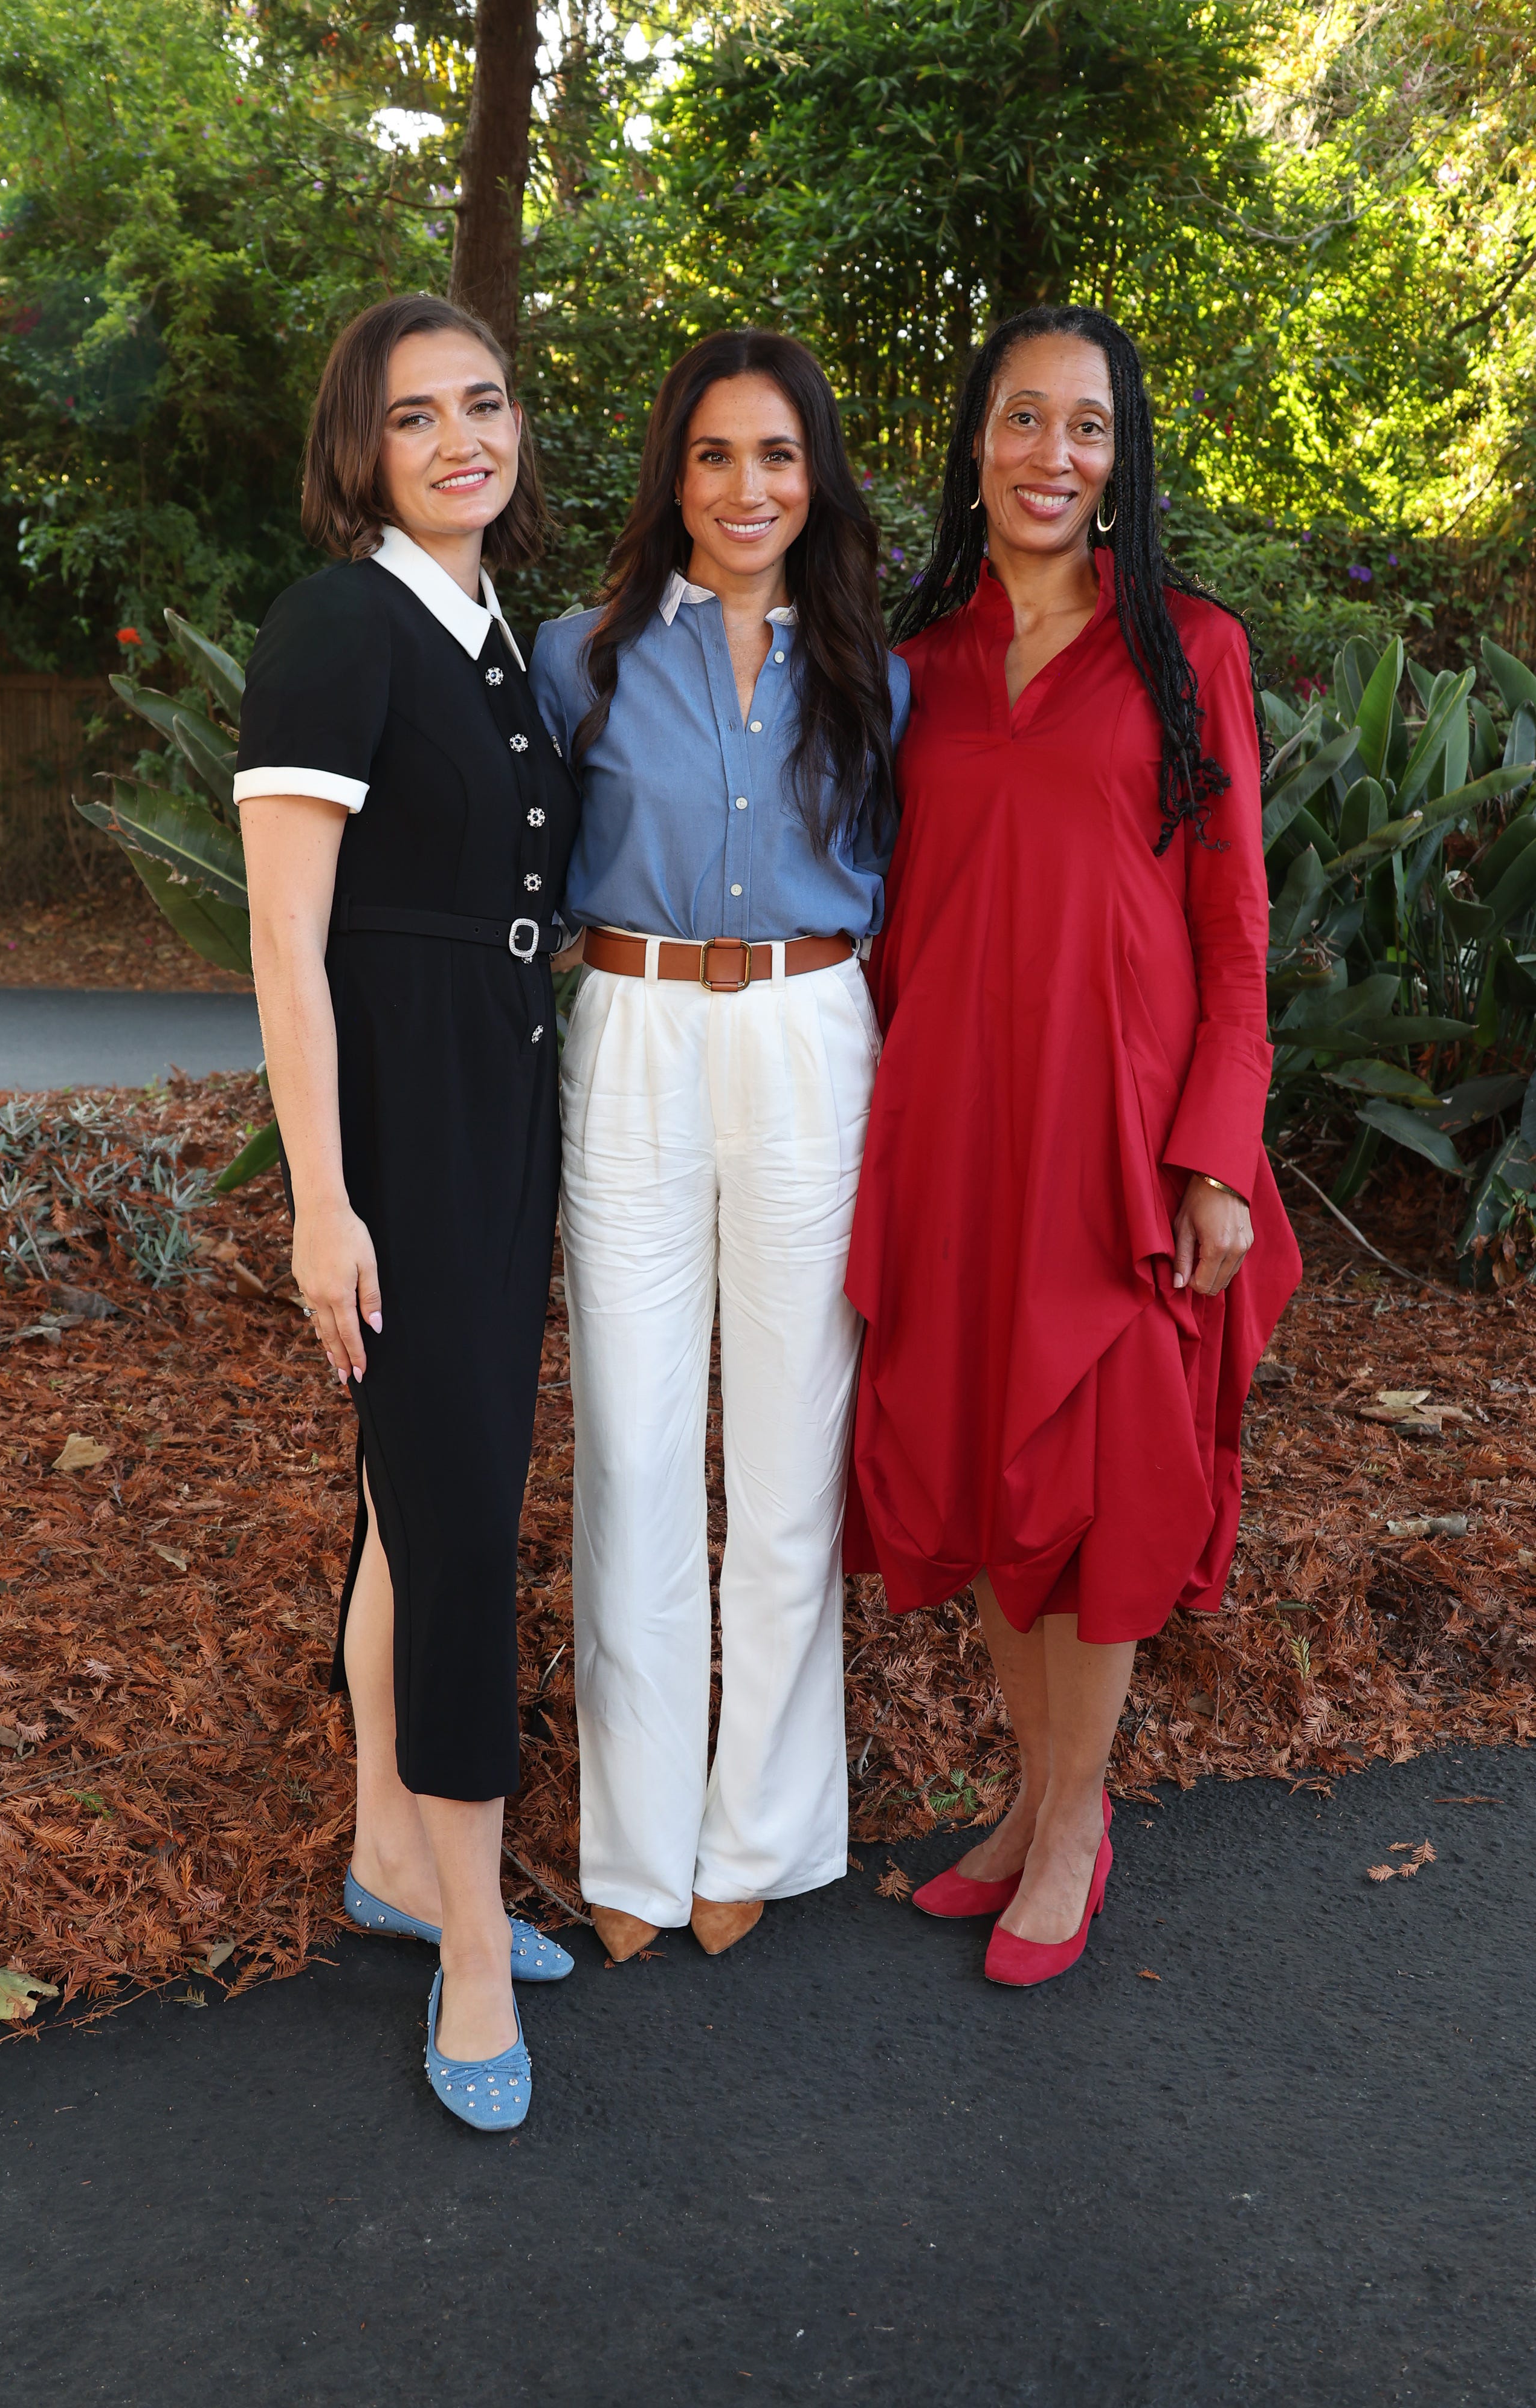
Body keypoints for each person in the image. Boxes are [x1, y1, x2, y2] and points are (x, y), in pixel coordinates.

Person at [845, 304, 1300, 1986]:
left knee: (1097, 1497)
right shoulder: (914, 662)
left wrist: (1218, 1153)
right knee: (988, 1482)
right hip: (960, 1135)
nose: (1054, 456)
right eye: (1024, 421)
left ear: (1124, 460)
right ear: (978, 440)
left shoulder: (1192, 650)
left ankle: (1079, 1824)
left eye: (1088, 428)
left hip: (1122, 1142)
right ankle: (1035, 1808)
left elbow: (1238, 928)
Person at [234, 293, 581, 2130]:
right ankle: (464, 1951)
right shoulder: (336, 624)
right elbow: (288, 947)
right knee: (454, 1537)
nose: (463, 439)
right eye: (417, 415)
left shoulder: (490, 638)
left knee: (411, 1512)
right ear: (360, 449)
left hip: (500, 1104)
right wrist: (324, 1206)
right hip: (407, 1132)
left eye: (488, 404)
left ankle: (392, 1855)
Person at [529, 329, 910, 1964]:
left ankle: (757, 1830)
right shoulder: (581, 658)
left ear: (812, 475)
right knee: (628, 1441)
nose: (744, 486)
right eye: (712, 455)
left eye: (775, 454)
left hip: (813, 1040)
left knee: (785, 1454)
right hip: (633, 1032)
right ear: (671, 475)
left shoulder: (873, 675)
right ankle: (633, 1849)